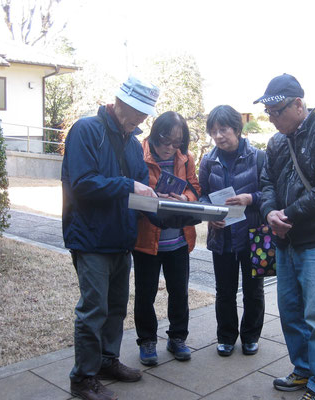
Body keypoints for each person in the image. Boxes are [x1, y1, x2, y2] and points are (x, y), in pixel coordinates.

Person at [62, 76, 160, 400]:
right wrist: (128, 185)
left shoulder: (133, 145)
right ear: (118, 102)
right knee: (93, 310)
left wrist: (174, 208)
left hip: (122, 239)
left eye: (143, 115)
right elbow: (83, 184)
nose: (137, 121)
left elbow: (142, 192)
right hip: (90, 238)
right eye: (134, 112)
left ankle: (107, 361)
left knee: (116, 307)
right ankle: (83, 378)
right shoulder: (86, 130)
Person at [255, 73, 315, 400]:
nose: (273, 119)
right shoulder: (277, 142)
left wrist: (288, 216)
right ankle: (303, 369)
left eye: (277, 111)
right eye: (268, 114)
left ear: (299, 104)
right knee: (290, 312)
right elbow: (266, 183)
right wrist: (269, 212)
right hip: (284, 243)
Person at [132, 111, 201, 366]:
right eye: (166, 141)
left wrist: (184, 199)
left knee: (179, 292)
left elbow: (195, 188)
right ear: (155, 134)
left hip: (178, 239)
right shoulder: (138, 153)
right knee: (145, 293)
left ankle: (178, 338)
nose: (171, 148)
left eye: (177, 142)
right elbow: (130, 188)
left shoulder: (186, 158)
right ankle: (147, 340)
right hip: (146, 238)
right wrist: (153, 197)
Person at [198, 105, 265, 357]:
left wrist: (250, 197)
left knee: (253, 291)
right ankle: (226, 337)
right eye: (213, 131)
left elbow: (270, 192)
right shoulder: (208, 161)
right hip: (222, 235)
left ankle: (250, 336)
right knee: (224, 291)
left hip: (254, 234)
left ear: (237, 129)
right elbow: (202, 193)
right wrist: (209, 214)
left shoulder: (258, 157)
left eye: (223, 129)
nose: (218, 136)